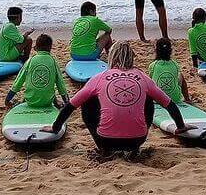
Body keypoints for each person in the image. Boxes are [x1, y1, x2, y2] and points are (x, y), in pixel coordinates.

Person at [48, 41, 193, 156]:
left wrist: (55, 128)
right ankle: (134, 148)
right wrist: (180, 126)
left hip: (105, 141)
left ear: (112, 57)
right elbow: (169, 104)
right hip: (137, 140)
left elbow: (71, 105)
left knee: (87, 99)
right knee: (148, 98)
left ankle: (104, 149)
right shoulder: (143, 77)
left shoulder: (99, 78)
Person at [5, 33, 69, 108]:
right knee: (48, 85)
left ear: (36, 48)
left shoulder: (30, 60)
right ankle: (55, 102)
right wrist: (67, 102)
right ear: (50, 48)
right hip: (47, 102)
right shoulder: (53, 61)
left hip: (30, 101)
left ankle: (24, 100)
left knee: (35, 88)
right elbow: (60, 84)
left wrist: (8, 99)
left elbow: (19, 81)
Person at [148, 37, 190, 105]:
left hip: (158, 100)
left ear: (156, 51)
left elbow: (151, 82)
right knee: (180, 76)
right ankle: (187, 99)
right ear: (170, 50)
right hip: (174, 100)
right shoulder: (175, 65)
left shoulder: (152, 65)